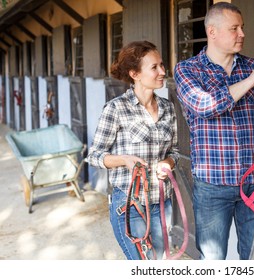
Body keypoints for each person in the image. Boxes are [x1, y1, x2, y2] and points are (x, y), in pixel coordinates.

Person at [174, 2, 254, 260]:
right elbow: (205, 106)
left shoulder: (250, 65)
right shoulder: (187, 70)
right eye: (234, 28)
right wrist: (252, 80)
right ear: (212, 32)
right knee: (212, 262)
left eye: (242, 27)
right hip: (212, 184)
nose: (242, 34)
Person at [87, 41, 180, 260]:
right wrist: (124, 160)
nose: (163, 72)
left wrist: (168, 162)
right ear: (135, 74)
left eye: (162, 65)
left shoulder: (168, 108)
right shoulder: (116, 108)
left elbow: (175, 150)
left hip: (162, 202)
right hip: (130, 205)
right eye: (154, 67)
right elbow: (94, 156)